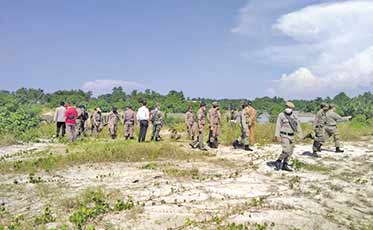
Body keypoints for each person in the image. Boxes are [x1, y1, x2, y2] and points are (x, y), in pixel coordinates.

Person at [274, 102, 303, 171]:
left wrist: (300, 136)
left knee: (290, 151)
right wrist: (277, 135)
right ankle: (278, 160)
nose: (288, 109)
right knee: (286, 150)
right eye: (287, 107)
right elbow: (278, 126)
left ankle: (285, 164)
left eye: (290, 108)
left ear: (292, 109)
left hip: (292, 136)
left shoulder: (295, 116)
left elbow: (298, 126)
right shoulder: (281, 115)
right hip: (284, 135)